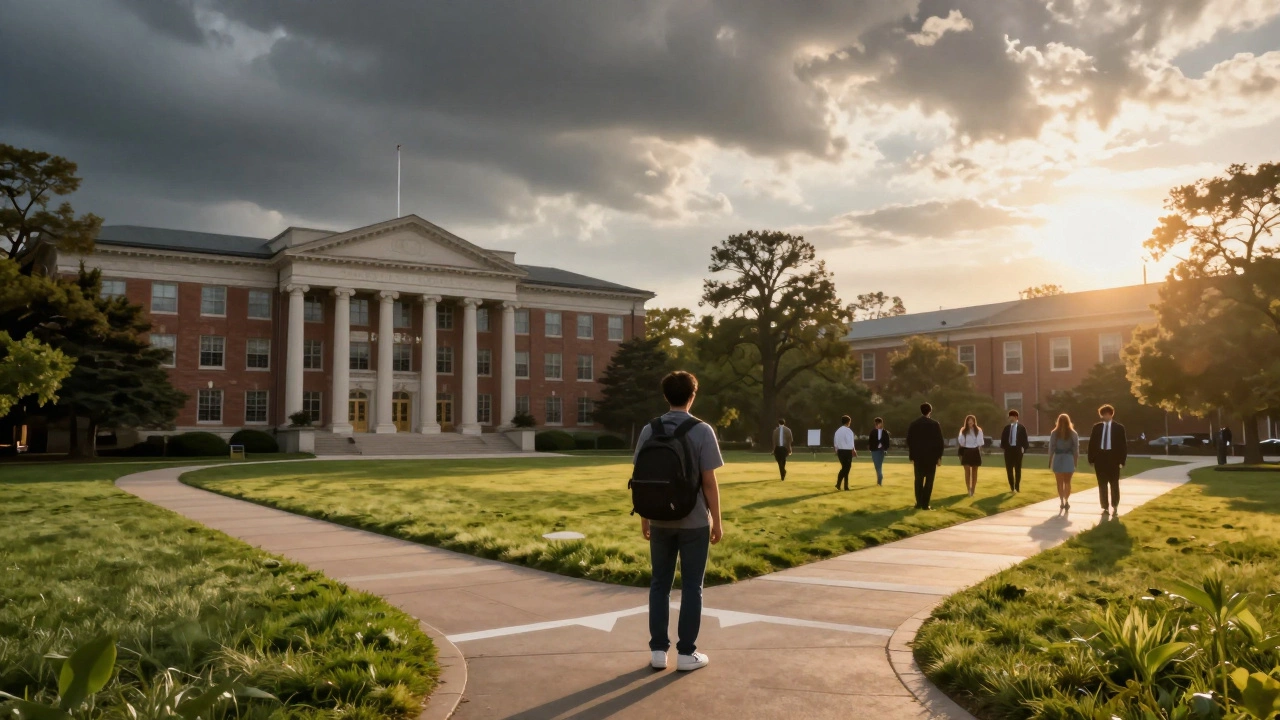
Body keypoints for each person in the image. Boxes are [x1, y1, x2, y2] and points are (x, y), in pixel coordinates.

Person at [634, 371, 724, 672]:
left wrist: (645, 518)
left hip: (659, 519)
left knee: (659, 584)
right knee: (691, 587)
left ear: (665, 396)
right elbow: (709, 482)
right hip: (694, 520)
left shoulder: (650, 429)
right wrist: (717, 521)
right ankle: (687, 653)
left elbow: (643, 479)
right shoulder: (702, 430)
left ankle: (658, 650)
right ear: (692, 394)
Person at [1086, 404, 1127, 518]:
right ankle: (1105, 507)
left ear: (1110, 414)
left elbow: (1123, 445)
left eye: (1106, 414)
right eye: (1102, 414)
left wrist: (1122, 460)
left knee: (1114, 483)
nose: (1104, 416)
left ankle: (1115, 505)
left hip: (1113, 459)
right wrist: (1091, 458)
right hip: (1100, 459)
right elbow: (1092, 443)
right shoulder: (1097, 427)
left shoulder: (1119, 428)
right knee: (1102, 484)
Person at [906, 402, 945, 510]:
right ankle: (925, 504)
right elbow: (940, 442)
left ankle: (918, 503)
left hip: (918, 457)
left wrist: (912, 456)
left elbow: (909, 441)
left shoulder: (914, 424)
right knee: (929, 481)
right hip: (931, 458)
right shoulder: (935, 424)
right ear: (930, 411)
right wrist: (939, 457)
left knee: (918, 480)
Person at [1049, 413, 1079, 510]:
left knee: (1059, 482)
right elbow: (1076, 449)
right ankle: (1066, 501)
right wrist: (1075, 461)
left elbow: (1052, 447)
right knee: (1067, 482)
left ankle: (1061, 501)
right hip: (1069, 458)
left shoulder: (1054, 433)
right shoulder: (1073, 433)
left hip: (1058, 457)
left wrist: (1050, 460)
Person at [1000, 410, 1029, 493]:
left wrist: (1023, 448)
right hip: (1009, 450)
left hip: (1017, 450)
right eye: (1009, 417)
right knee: (1009, 469)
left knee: (1017, 469)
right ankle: (1012, 487)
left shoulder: (1021, 428)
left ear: (1016, 417)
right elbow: (1003, 439)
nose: (1010, 418)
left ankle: (1017, 487)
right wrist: (1005, 448)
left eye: (1011, 416)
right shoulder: (1006, 428)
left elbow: (1025, 439)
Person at [957, 415, 984, 497]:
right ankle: (968, 489)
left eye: (972, 420)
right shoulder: (963, 430)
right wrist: (963, 432)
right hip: (967, 451)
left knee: (974, 471)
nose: (970, 422)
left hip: (975, 451)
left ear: (974, 421)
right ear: (967, 421)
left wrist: (977, 446)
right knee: (967, 470)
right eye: (969, 420)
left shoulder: (978, 430)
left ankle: (973, 489)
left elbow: (980, 442)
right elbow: (961, 442)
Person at [833, 415, 857, 490]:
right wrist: (853, 450)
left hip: (840, 451)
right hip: (847, 451)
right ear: (848, 422)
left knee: (845, 467)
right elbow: (850, 442)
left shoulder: (837, 431)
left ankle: (845, 486)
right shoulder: (848, 431)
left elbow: (835, 441)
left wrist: (836, 450)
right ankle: (839, 483)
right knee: (846, 468)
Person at [868, 417, 891, 486]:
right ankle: (879, 478)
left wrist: (885, 448)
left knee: (878, 465)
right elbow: (870, 441)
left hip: (880, 450)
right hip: (876, 450)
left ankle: (880, 478)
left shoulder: (884, 432)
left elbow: (887, 442)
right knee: (878, 465)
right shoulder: (874, 432)